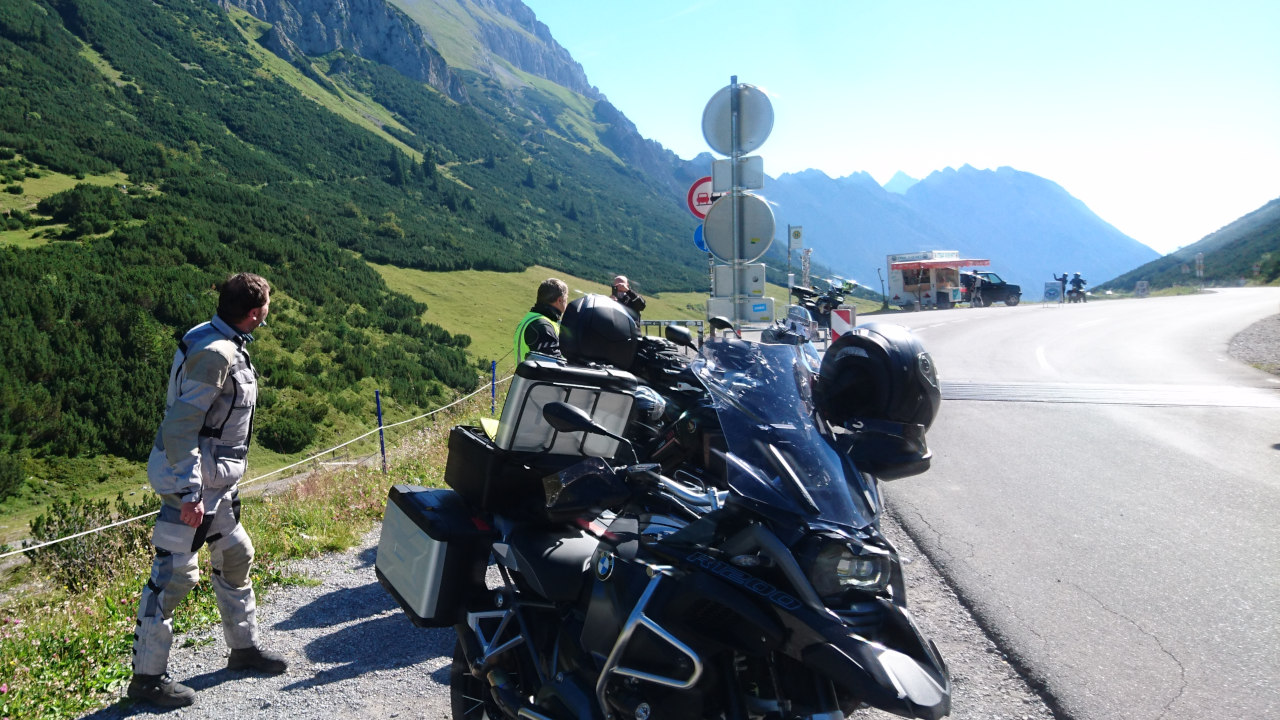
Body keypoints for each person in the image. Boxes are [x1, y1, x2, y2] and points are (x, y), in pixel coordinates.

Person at [129, 272, 286, 707]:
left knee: (235, 555)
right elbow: (181, 427)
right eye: (267, 306)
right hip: (192, 484)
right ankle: (146, 679)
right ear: (254, 313)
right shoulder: (216, 354)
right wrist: (190, 492)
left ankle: (244, 649)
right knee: (174, 576)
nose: (268, 312)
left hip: (216, 482)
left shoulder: (215, 335)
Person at [514, 277, 567, 362]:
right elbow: (554, 364)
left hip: (524, 370)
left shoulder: (533, 318)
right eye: (566, 298)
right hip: (532, 371)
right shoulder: (542, 326)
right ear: (560, 300)